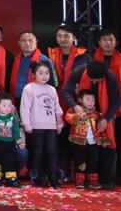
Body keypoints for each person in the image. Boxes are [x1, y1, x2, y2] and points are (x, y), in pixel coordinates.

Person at [62, 59, 119, 190]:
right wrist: (75, 106)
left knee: (107, 145)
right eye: (91, 79)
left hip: (103, 111)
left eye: (97, 81)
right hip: (81, 110)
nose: (93, 82)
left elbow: (116, 101)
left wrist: (106, 118)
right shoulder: (79, 71)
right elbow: (65, 91)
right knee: (80, 155)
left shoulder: (110, 76)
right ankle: (80, 178)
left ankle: (106, 179)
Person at [21, 63, 64, 187]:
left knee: (52, 151)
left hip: (51, 127)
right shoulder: (29, 88)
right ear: (34, 75)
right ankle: (37, 177)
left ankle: (54, 178)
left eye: (47, 73)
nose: (44, 75)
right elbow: (25, 108)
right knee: (37, 152)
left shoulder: (51, 89)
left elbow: (57, 108)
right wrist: (27, 124)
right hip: (36, 127)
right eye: (41, 73)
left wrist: (59, 123)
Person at [65, 89, 104, 189]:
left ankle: (93, 180)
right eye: (87, 99)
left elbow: (100, 128)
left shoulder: (96, 114)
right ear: (80, 100)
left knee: (93, 161)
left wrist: (103, 139)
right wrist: (78, 116)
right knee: (80, 160)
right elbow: (68, 118)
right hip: (79, 141)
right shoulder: (75, 110)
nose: (91, 102)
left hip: (93, 141)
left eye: (93, 100)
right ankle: (80, 180)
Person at [0, 94, 24, 186]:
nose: (7, 108)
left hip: (10, 143)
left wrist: (19, 141)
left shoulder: (13, 117)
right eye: (4, 105)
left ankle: (10, 178)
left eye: (9, 106)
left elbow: (16, 131)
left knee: (10, 160)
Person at [12, 31, 55, 99]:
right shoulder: (16, 59)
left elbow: (53, 82)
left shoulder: (44, 60)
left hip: (37, 99)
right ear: (19, 43)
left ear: (36, 42)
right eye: (23, 41)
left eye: (30, 40)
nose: (27, 43)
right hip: (17, 99)